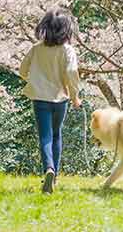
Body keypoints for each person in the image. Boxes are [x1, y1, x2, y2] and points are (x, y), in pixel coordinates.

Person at [19, 10, 81, 193]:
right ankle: (55, 177)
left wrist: (34, 80)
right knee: (56, 135)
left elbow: (22, 70)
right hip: (59, 98)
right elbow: (72, 74)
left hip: (39, 98)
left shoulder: (36, 48)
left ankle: (48, 169)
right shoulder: (67, 50)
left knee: (45, 136)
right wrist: (75, 96)